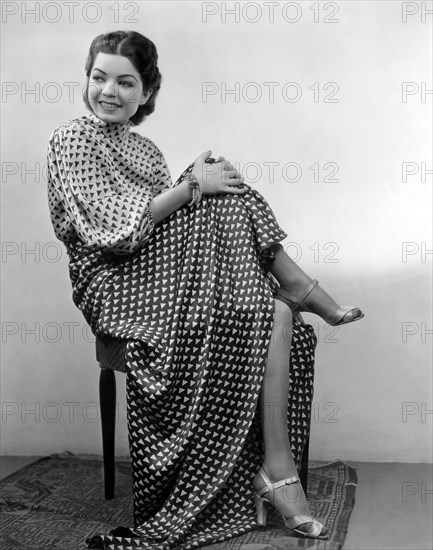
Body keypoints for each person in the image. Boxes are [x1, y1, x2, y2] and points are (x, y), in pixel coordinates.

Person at [47, 30, 363, 550]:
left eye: (126, 83)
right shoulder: (71, 138)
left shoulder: (146, 151)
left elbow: (166, 229)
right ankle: (301, 286)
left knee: (271, 309)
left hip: (157, 270)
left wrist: (197, 180)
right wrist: (193, 186)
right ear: (87, 80)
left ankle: (276, 466)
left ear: (146, 93)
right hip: (111, 279)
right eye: (99, 77)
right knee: (218, 195)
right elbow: (118, 234)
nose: (109, 91)